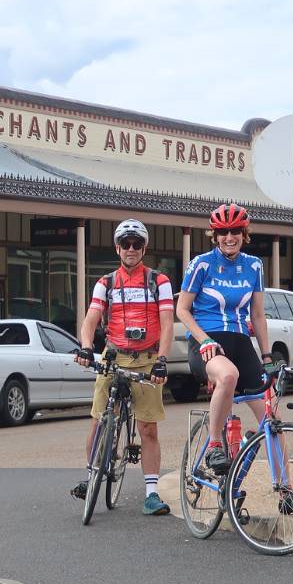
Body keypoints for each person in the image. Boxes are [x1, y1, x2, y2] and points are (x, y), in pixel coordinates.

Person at [175, 203, 293, 516]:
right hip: (206, 342)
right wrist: (205, 340)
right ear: (215, 236)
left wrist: (267, 356)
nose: (229, 237)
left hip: (241, 343)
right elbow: (182, 310)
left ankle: (286, 492)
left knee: (271, 416)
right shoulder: (201, 264)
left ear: (244, 234)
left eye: (235, 231)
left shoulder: (254, 266)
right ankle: (214, 445)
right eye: (223, 232)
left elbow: (258, 315)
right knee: (228, 376)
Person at [71, 218, 174, 516]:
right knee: (98, 420)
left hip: (147, 358)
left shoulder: (159, 281)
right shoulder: (106, 283)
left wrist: (162, 360)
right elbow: (91, 319)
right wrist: (86, 346)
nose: (131, 249)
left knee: (148, 429)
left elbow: (168, 324)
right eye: (125, 244)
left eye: (136, 244)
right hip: (114, 356)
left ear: (144, 248)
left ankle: (151, 494)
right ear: (117, 248)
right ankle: (91, 475)